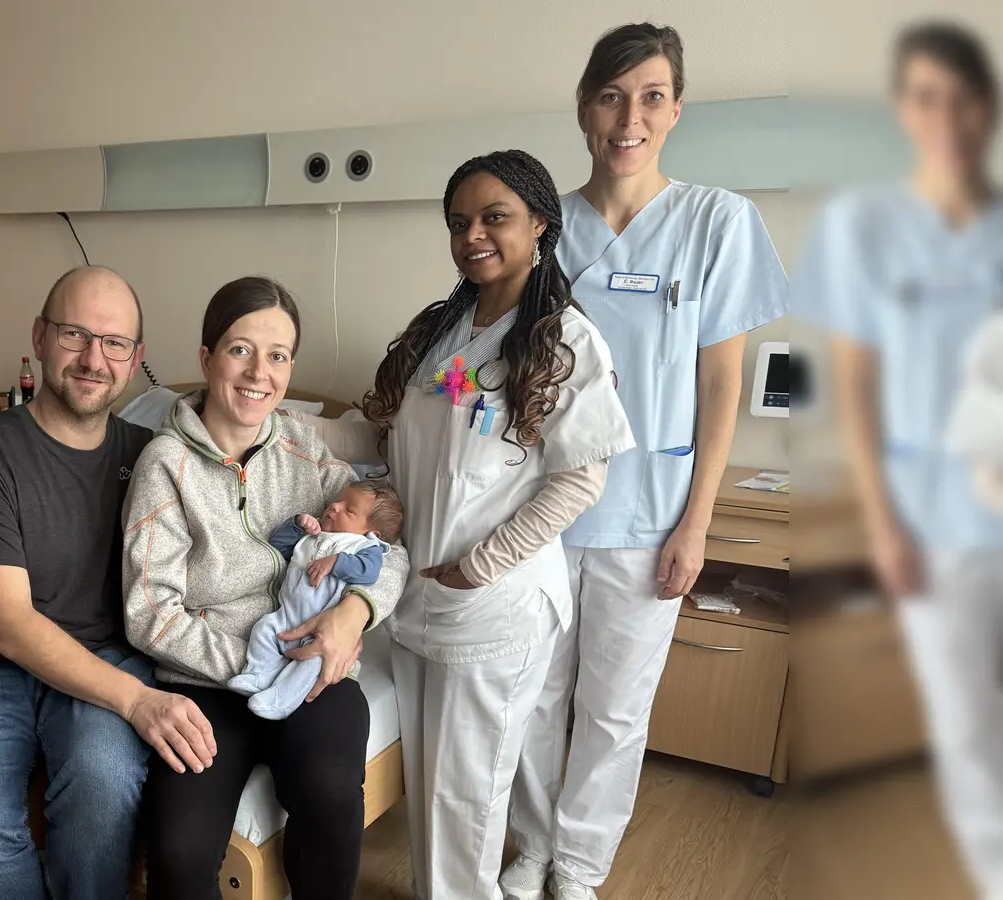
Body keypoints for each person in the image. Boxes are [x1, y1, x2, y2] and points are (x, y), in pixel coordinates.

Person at [492, 24, 791, 900]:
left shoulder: (717, 223)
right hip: (540, 512)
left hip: (650, 510)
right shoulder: (543, 231)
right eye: (612, 97)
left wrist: (697, 523)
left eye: (651, 97)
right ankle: (530, 849)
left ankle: (578, 868)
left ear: (676, 110)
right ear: (584, 108)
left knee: (616, 709)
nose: (630, 118)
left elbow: (720, 385)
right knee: (535, 696)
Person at [295, 150, 636, 899]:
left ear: (539, 224)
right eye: (459, 222)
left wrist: (482, 563)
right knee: (435, 794)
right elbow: (383, 437)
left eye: (494, 217)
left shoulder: (564, 340)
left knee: (466, 804)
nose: (472, 235)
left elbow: (582, 476)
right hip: (421, 596)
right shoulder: (443, 332)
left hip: (492, 605)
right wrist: (281, 423)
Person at [0, 265, 214, 900]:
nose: (93, 359)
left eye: (114, 343)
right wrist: (137, 702)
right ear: (40, 337)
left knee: (104, 783)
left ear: (135, 358)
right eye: (75, 334)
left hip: (109, 653)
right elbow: (7, 625)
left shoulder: (153, 456)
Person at [795, 21, 1003, 899]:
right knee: (965, 722)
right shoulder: (865, 227)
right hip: (928, 510)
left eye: (962, 99)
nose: (945, 117)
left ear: (987, 107)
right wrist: (882, 527)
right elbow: (855, 387)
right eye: (925, 98)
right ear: (904, 110)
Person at [123, 275, 411, 900]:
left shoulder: (305, 449)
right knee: (178, 851)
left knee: (330, 794)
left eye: (278, 356)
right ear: (207, 358)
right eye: (240, 350)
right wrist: (259, 663)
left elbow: (387, 552)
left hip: (313, 672)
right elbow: (149, 614)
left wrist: (356, 611)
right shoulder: (164, 466)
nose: (260, 373)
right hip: (203, 684)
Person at [227, 481, 405, 720]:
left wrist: (337, 561)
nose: (335, 507)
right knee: (263, 629)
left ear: (372, 533)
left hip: (321, 630)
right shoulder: (315, 535)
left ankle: (282, 699)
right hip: (286, 618)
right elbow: (277, 549)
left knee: (313, 662)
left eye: (349, 510)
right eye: (338, 501)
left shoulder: (364, 547)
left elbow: (369, 571)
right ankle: (259, 675)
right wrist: (297, 526)